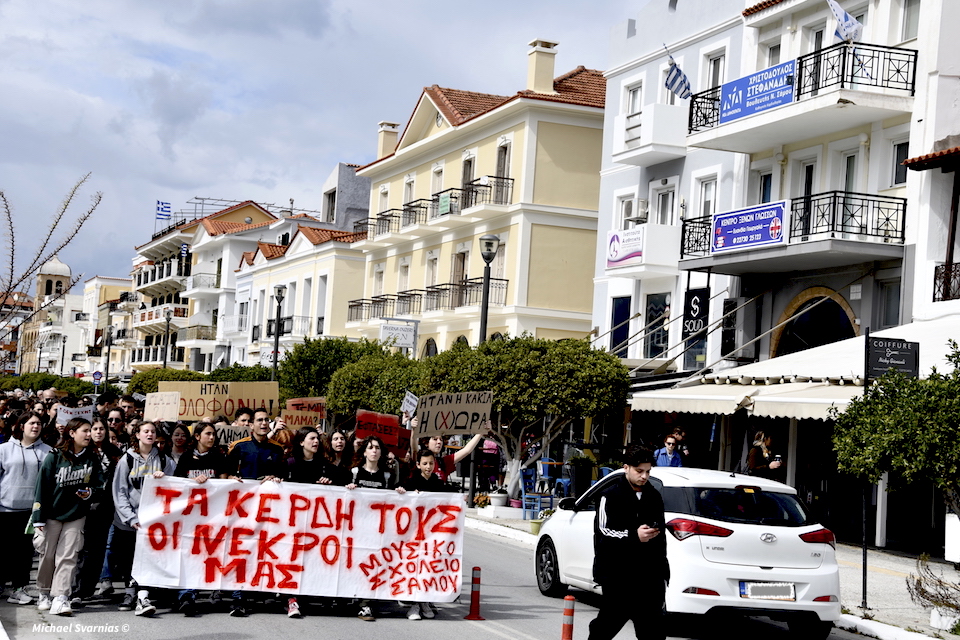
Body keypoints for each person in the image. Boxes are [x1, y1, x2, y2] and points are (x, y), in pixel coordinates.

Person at [589, 445, 669, 640]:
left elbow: (661, 535)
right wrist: (634, 536)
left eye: (648, 472)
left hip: (649, 578)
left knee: (653, 631)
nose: (644, 476)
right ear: (626, 468)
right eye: (639, 471)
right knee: (606, 626)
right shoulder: (610, 496)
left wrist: (663, 574)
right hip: (619, 576)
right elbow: (604, 532)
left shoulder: (654, 496)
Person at [31, 418, 104, 617]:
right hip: (52, 514)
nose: (89, 435)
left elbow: (100, 485)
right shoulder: (54, 456)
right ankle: (44, 592)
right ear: (72, 433)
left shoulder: (92, 457)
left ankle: (61, 597)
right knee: (48, 554)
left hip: (77, 514)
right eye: (85, 431)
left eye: (90, 431)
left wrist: (90, 493)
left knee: (69, 555)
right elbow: (42, 487)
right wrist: (38, 517)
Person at [111, 421, 176, 616]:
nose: (149, 434)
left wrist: (164, 479)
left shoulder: (165, 461)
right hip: (129, 521)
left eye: (153, 432)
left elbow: (173, 490)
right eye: (145, 431)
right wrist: (130, 517)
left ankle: (143, 594)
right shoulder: (126, 460)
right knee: (128, 559)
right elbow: (120, 491)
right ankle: (130, 593)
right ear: (137, 435)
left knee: (148, 559)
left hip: (152, 522)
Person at [225, 408, 285, 616]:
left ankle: (261, 593)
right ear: (250, 425)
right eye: (259, 420)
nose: (263, 423)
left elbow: (284, 477)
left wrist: (277, 479)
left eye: (266, 420)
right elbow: (226, 475)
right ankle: (238, 598)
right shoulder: (239, 448)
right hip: (243, 511)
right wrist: (231, 479)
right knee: (242, 551)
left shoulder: (278, 450)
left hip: (269, 511)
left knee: (265, 551)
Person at [173, 422, 230, 616]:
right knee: (190, 555)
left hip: (213, 515)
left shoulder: (219, 457)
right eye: (208, 434)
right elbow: (177, 484)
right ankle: (187, 596)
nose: (212, 438)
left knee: (211, 554)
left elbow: (224, 484)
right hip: (191, 516)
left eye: (213, 434)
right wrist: (192, 483)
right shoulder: (186, 458)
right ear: (197, 436)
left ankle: (213, 591)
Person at [346, 435, 406, 621]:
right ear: (364, 451)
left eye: (377, 448)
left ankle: (366, 604)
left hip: (378, 531)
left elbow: (394, 501)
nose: (374, 451)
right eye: (370, 447)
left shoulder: (387, 476)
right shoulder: (354, 473)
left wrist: (401, 494)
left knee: (371, 567)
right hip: (356, 530)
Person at [0, 412, 53, 604]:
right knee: (3, 550)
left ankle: (18, 588)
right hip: (4, 509)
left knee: (23, 553)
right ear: (22, 426)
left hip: (31, 512)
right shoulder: (4, 449)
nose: (35, 427)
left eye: (39, 424)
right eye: (31, 423)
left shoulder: (48, 451)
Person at [71, 417, 122, 605]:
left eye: (102, 428)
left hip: (106, 507)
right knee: (80, 550)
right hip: (83, 506)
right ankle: (75, 589)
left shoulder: (115, 452)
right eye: (94, 429)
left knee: (97, 551)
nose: (99, 432)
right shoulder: (83, 452)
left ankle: (87, 589)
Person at [400, 449, 451, 620]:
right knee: (414, 567)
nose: (428, 467)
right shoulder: (411, 482)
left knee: (429, 567)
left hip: (432, 535)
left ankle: (425, 602)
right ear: (418, 465)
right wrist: (403, 493)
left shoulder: (439, 484)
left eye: (431, 463)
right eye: (425, 463)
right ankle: (414, 604)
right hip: (413, 534)